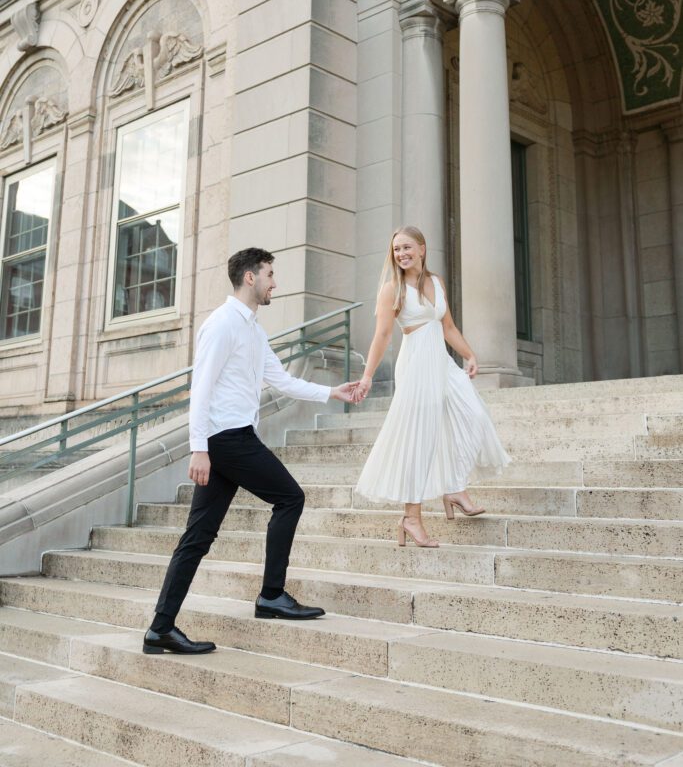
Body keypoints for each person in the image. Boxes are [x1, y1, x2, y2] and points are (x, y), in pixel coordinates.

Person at [143, 247, 358, 655]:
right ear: (249, 278)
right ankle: (272, 595)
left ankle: (161, 628)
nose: (275, 282)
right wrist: (198, 449)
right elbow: (200, 389)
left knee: (198, 537)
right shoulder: (222, 324)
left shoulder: (254, 330)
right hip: (227, 440)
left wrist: (332, 391)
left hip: (231, 439)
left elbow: (281, 380)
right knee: (290, 497)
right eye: (270, 274)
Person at [353, 226, 510, 547]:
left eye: (407, 247)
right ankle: (412, 517)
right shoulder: (391, 289)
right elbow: (382, 335)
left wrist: (469, 354)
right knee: (420, 439)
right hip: (415, 366)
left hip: (442, 363)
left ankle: (453, 487)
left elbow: (447, 325)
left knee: (475, 416)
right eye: (396, 249)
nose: (401, 254)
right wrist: (367, 375)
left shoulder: (436, 283)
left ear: (422, 249)